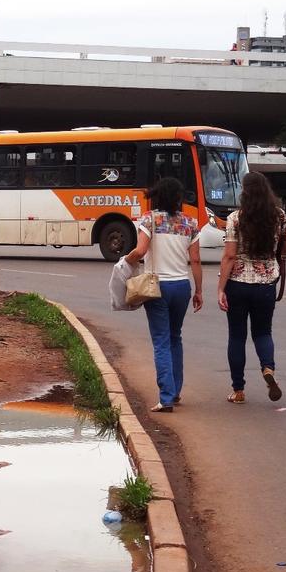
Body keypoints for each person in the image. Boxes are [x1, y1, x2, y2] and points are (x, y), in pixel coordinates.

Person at [122, 177, 203, 413]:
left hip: (157, 287)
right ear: (179, 198)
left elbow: (140, 250)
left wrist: (125, 264)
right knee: (175, 337)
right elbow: (195, 260)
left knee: (161, 341)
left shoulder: (149, 220)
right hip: (181, 287)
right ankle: (175, 391)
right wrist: (198, 290)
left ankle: (166, 398)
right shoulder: (190, 223)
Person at [217, 172, 286, 404]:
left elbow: (229, 256)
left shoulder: (235, 218)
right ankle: (268, 369)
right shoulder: (279, 216)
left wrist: (221, 288)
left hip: (237, 284)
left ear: (245, 192)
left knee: (237, 337)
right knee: (263, 332)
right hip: (266, 285)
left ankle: (238, 391)